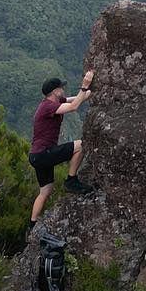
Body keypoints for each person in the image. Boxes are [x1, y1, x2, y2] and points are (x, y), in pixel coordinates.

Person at [29, 70, 94, 227]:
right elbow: (73, 107)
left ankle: (32, 224)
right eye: (61, 88)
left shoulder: (53, 103)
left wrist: (90, 89)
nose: (63, 90)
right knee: (82, 144)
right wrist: (84, 87)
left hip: (36, 156)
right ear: (55, 91)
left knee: (45, 190)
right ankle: (71, 180)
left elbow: (79, 99)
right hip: (43, 154)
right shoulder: (48, 107)